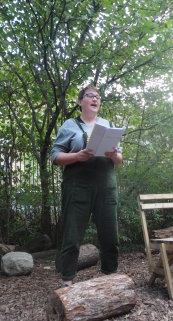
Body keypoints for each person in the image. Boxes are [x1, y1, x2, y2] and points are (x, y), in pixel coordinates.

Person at [50, 85, 123, 287]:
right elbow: (55, 156)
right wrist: (77, 156)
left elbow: (119, 159)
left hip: (106, 187)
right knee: (72, 235)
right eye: (90, 96)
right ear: (80, 101)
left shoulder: (108, 125)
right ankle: (68, 280)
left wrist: (113, 154)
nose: (95, 99)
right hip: (77, 187)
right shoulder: (69, 125)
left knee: (110, 235)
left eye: (98, 97)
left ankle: (111, 276)